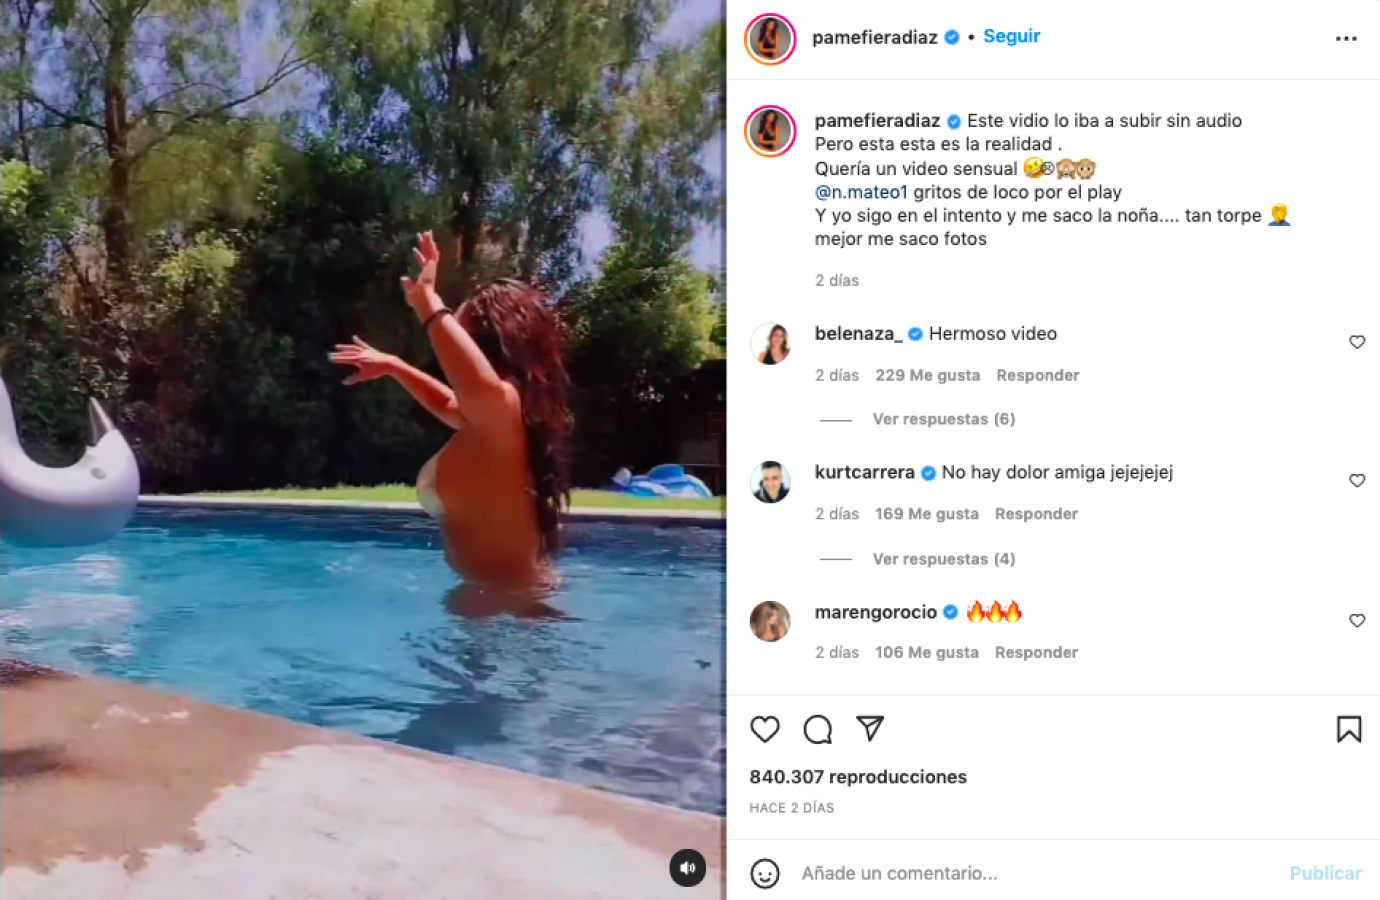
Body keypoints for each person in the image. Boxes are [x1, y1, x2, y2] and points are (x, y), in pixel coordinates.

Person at [330, 231, 572, 598]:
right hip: (498, 601)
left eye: (460, 332)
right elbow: (448, 404)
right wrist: (395, 366)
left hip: (511, 604)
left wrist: (428, 303)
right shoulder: (495, 422)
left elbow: (477, 386)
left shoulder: (502, 409)